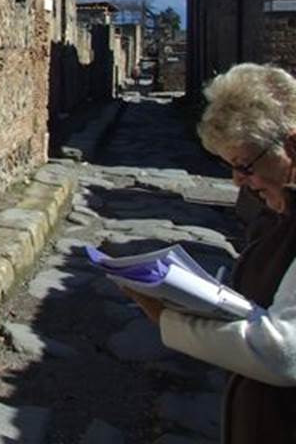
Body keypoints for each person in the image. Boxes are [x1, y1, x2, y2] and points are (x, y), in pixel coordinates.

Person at [125, 63, 296, 443]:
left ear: (292, 146)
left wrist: (170, 321)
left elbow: (285, 353)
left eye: (244, 166)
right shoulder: (278, 216)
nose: (238, 180)